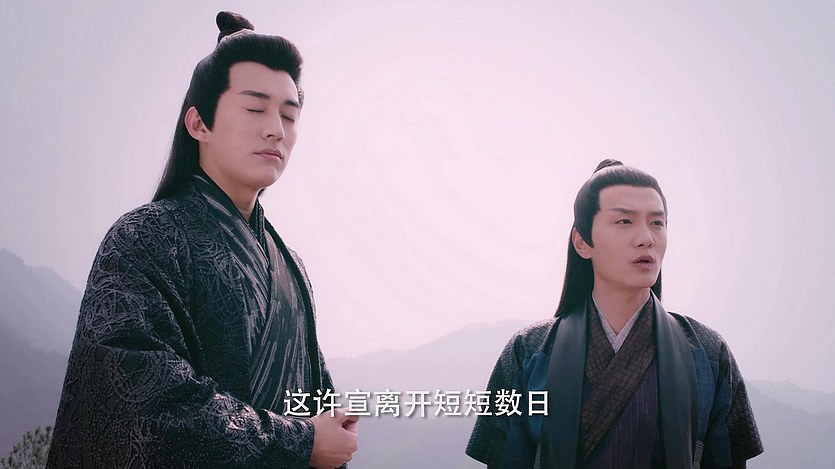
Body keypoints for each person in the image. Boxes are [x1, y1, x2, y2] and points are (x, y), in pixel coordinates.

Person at [48, 12, 358, 469]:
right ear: (198, 124)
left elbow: (316, 406)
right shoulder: (144, 239)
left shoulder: (290, 265)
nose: (276, 129)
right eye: (255, 109)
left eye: (289, 116)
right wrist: (300, 441)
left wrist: (332, 430)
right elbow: (140, 400)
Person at [466, 160, 762, 468]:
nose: (646, 238)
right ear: (582, 242)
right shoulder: (528, 352)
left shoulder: (709, 353)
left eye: (657, 223)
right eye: (624, 221)